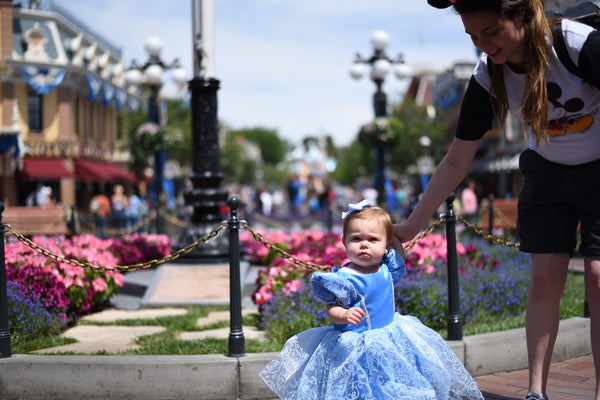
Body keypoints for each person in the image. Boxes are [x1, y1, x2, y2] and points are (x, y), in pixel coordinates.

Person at [395, 2, 600, 400]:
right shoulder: (489, 74)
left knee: (597, 276)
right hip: (547, 171)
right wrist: (411, 224)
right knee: (543, 278)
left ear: (521, 15)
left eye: (490, 32)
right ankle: (535, 392)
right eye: (473, 37)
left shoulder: (575, 44)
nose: (483, 45)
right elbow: (457, 159)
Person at [260, 200, 484, 399]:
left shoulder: (387, 268)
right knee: (360, 385)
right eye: (356, 239)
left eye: (372, 239)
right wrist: (345, 314)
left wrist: (394, 235)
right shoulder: (344, 278)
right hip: (357, 343)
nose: (364, 244)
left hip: (391, 335)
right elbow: (331, 309)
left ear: (385, 245)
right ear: (344, 241)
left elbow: (399, 253)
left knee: (392, 381)